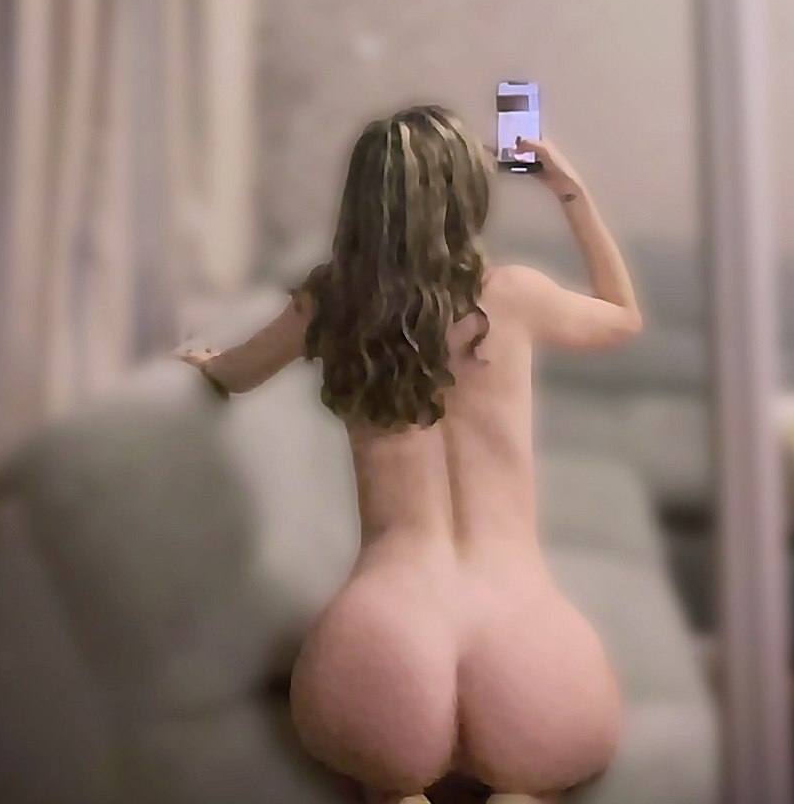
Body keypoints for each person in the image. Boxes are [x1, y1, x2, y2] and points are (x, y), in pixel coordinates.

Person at [177, 105, 643, 804]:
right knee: (525, 786)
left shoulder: (329, 302)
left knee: (393, 788)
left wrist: (203, 359)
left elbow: (232, 376)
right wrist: (568, 189)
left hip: (384, 645)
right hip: (526, 647)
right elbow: (623, 317)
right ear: (468, 196)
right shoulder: (515, 296)